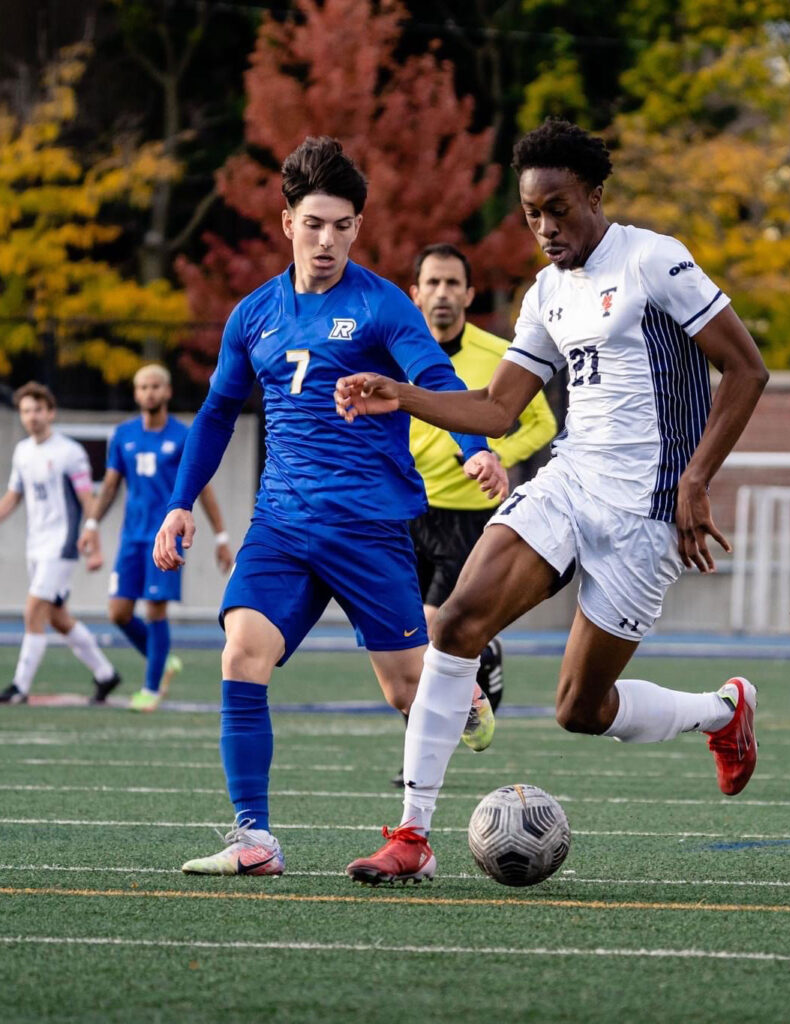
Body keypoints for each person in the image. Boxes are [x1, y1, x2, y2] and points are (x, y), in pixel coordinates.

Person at [337, 118, 769, 885]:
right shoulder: (545, 293)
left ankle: (721, 711)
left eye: (559, 209)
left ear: (594, 195)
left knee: (580, 708)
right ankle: (412, 835)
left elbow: (746, 370)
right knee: (459, 622)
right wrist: (401, 395)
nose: (544, 228)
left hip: (648, 511)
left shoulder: (656, 261)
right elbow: (500, 410)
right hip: (570, 482)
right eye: (532, 214)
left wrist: (697, 479)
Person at [152, 136, 506, 876]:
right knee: (241, 653)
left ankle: (453, 706)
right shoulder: (253, 316)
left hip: (370, 526)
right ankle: (254, 840)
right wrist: (180, 503)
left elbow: (435, 378)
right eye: (313, 224)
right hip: (281, 523)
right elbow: (218, 413)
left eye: (342, 226)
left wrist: (476, 449)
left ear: (356, 228)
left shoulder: (381, 306)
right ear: (287, 223)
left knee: (407, 691)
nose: (326, 240)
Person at [388, 243, 557, 785]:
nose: (441, 294)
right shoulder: (392, 353)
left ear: (468, 293)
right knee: (408, 638)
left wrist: (491, 453)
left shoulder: (500, 354)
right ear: (414, 293)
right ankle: (474, 668)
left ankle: (430, 744)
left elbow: (543, 425)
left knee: (437, 627)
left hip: (468, 514)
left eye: (451, 284)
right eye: (431, 283)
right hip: (406, 511)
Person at [78, 364, 233, 713]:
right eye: (143, 387)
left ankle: (151, 688)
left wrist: (222, 536)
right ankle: (161, 660)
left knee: (155, 611)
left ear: (167, 392)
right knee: (118, 612)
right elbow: (112, 486)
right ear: (136, 394)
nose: (149, 392)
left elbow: (203, 489)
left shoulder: (183, 436)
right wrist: (90, 526)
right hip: (131, 538)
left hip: (166, 537)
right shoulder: (123, 435)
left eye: (155, 386)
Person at [0, 382, 121, 704]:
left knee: (33, 610)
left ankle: (19, 687)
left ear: (50, 412)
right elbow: (14, 495)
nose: (32, 416)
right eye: (26, 411)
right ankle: (106, 674)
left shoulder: (69, 452)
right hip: (35, 545)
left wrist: (93, 543)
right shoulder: (23, 451)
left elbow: (87, 498)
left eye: (38, 409)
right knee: (57, 617)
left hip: (61, 545)